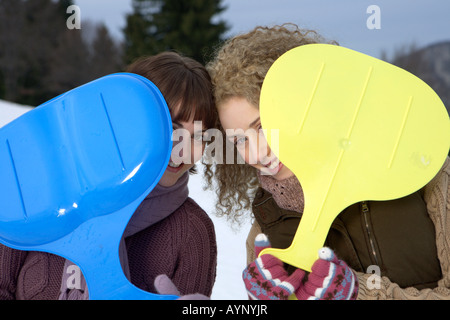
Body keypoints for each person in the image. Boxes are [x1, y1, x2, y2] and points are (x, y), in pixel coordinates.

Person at [205, 24, 450, 300]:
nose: (257, 153)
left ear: (308, 105)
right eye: (240, 140)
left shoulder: (422, 173)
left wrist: (357, 294)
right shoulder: (265, 231)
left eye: (263, 126)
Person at [0, 51, 217, 300]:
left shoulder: (192, 232)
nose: (183, 150)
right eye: (172, 127)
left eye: (199, 136)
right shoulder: (34, 196)